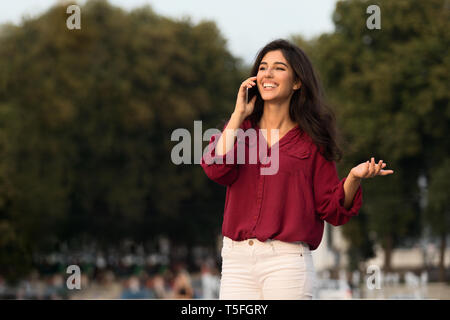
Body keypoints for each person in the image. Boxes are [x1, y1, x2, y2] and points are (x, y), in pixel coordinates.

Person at [200, 39, 394, 300]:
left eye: (279, 68)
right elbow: (214, 168)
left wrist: (354, 179)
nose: (267, 73)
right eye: (263, 67)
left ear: (296, 82)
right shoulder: (241, 131)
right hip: (236, 261)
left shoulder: (313, 141)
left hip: (286, 262)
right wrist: (238, 114)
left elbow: (331, 208)